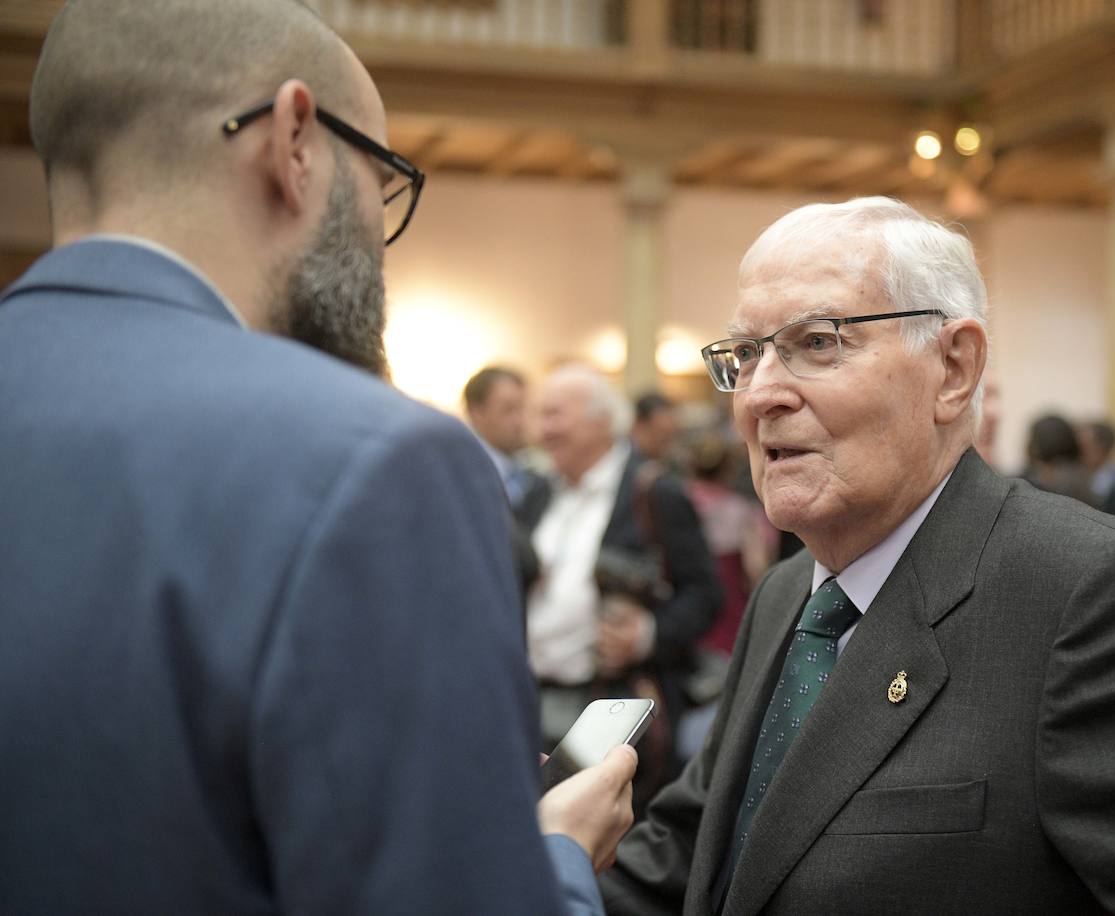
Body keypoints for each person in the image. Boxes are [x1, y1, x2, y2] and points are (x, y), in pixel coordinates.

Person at [0, 1, 635, 913]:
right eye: (380, 182)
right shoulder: (375, 460)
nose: (379, 234)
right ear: (295, 138)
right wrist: (560, 860)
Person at [599, 197, 1115, 915]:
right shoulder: (788, 594)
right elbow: (703, 854)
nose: (761, 392)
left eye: (816, 344)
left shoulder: (1083, 593)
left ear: (955, 368)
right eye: (746, 352)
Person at [517, 366, 721, 801]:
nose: (541, 429)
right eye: (539, 416)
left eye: (554, 415)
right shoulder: (538, 493)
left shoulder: (654, 492)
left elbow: (705, 594)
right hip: (531, 703)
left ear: (601, 420)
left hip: (610, 710)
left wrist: (647, 634)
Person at [463, 364, 533, 504]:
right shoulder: (462, 475)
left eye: (523, 408)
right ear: (476, 412)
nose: (519, 421)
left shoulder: (530, 472)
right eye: (508, 410)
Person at [631, 391, 681, 464]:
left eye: (673, 435)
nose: (669, 444)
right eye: (663, 434)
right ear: (640, 427)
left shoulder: (673, 462)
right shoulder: (620, 461)